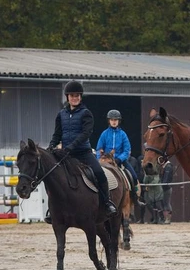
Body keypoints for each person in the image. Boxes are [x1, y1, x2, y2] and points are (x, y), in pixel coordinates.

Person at [47, 80, 117, 221]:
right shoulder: (61, 115)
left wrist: (70, 147)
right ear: (67, 97)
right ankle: (52, 209)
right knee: (53, 176)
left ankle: (107, 203)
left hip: (83, 153)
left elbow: (85, 133)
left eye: (78, 95)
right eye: (72, 95)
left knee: (99, 173)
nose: (75, 98)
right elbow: (57, 134)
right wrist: (51, 146)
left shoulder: (86, 113)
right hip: (66, 154)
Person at [96, 109, 145, 207]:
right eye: (112, 120)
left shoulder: (123, 135)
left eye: (116, 120)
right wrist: (100, 160)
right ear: (109, 121)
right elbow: (99, 148)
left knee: (134, 177)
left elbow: (127, 150)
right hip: (106, 161)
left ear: (119, 121)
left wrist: (119, 159)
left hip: (120, 161)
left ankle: (135, 198)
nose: (114, 121)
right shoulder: (104, 134)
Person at [160, 159, 174, 224]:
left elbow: (166, 178)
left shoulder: (168, 167)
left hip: (166, 187)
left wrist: (163, 184)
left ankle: (168, 219)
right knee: (164, 203)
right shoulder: (165, 166)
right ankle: (166, 218)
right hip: (164, 187)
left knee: (167, 203)